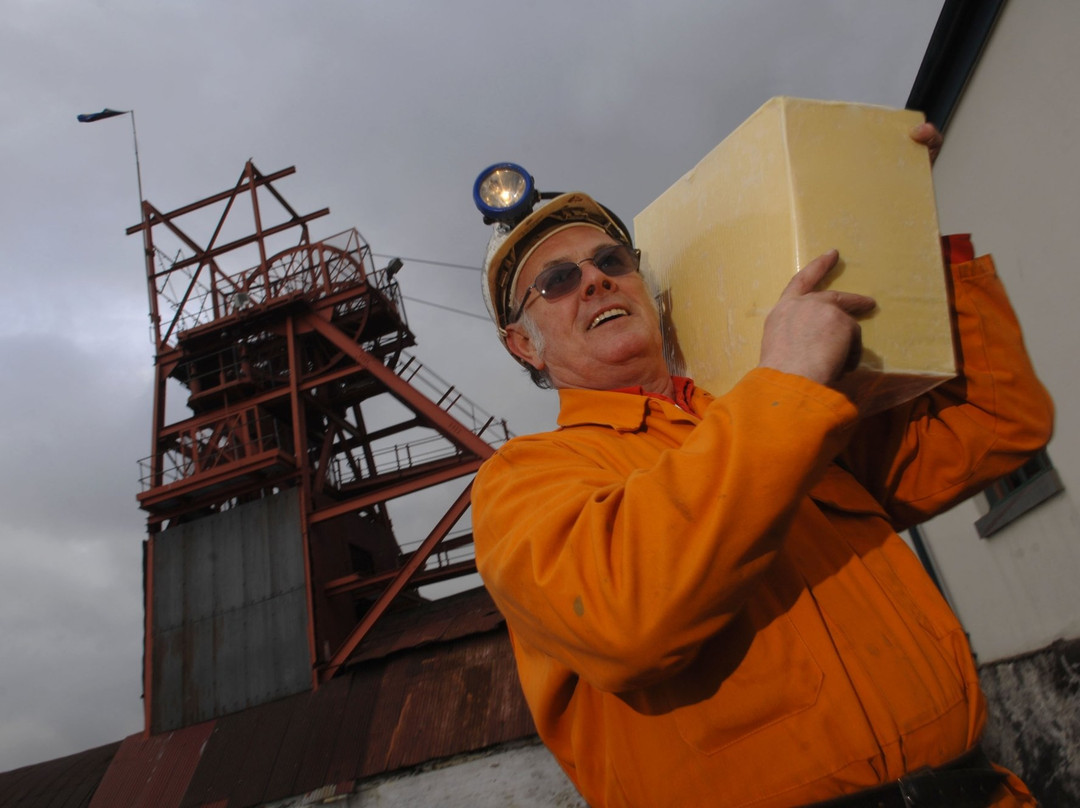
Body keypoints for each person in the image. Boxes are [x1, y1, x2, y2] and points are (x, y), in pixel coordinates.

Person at [470, 125, 1053, 808]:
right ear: (522, 344)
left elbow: (995, 426)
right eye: (557, 281)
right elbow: (624, 617)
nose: (595, 279)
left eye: (611, 260)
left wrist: (906, 231)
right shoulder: (523, 478)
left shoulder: (777, 410)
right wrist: (785, 385)